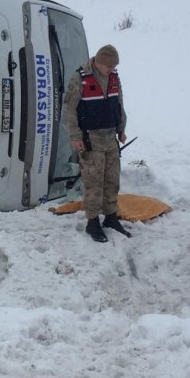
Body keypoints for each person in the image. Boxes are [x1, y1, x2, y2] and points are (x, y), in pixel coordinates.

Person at [63, 44, 130, 242]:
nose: (112, 70)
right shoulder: (80, 78)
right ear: (99, 62)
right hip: (90, 138)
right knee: (93, 181)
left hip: (110, 137)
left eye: (114, 67)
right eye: (109, 66)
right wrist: (75, 137)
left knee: (112, 178)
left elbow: (119, 104)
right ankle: (92, 222)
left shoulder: (114, 77)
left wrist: (121, 129)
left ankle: (111, 217)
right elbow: (69, 109)